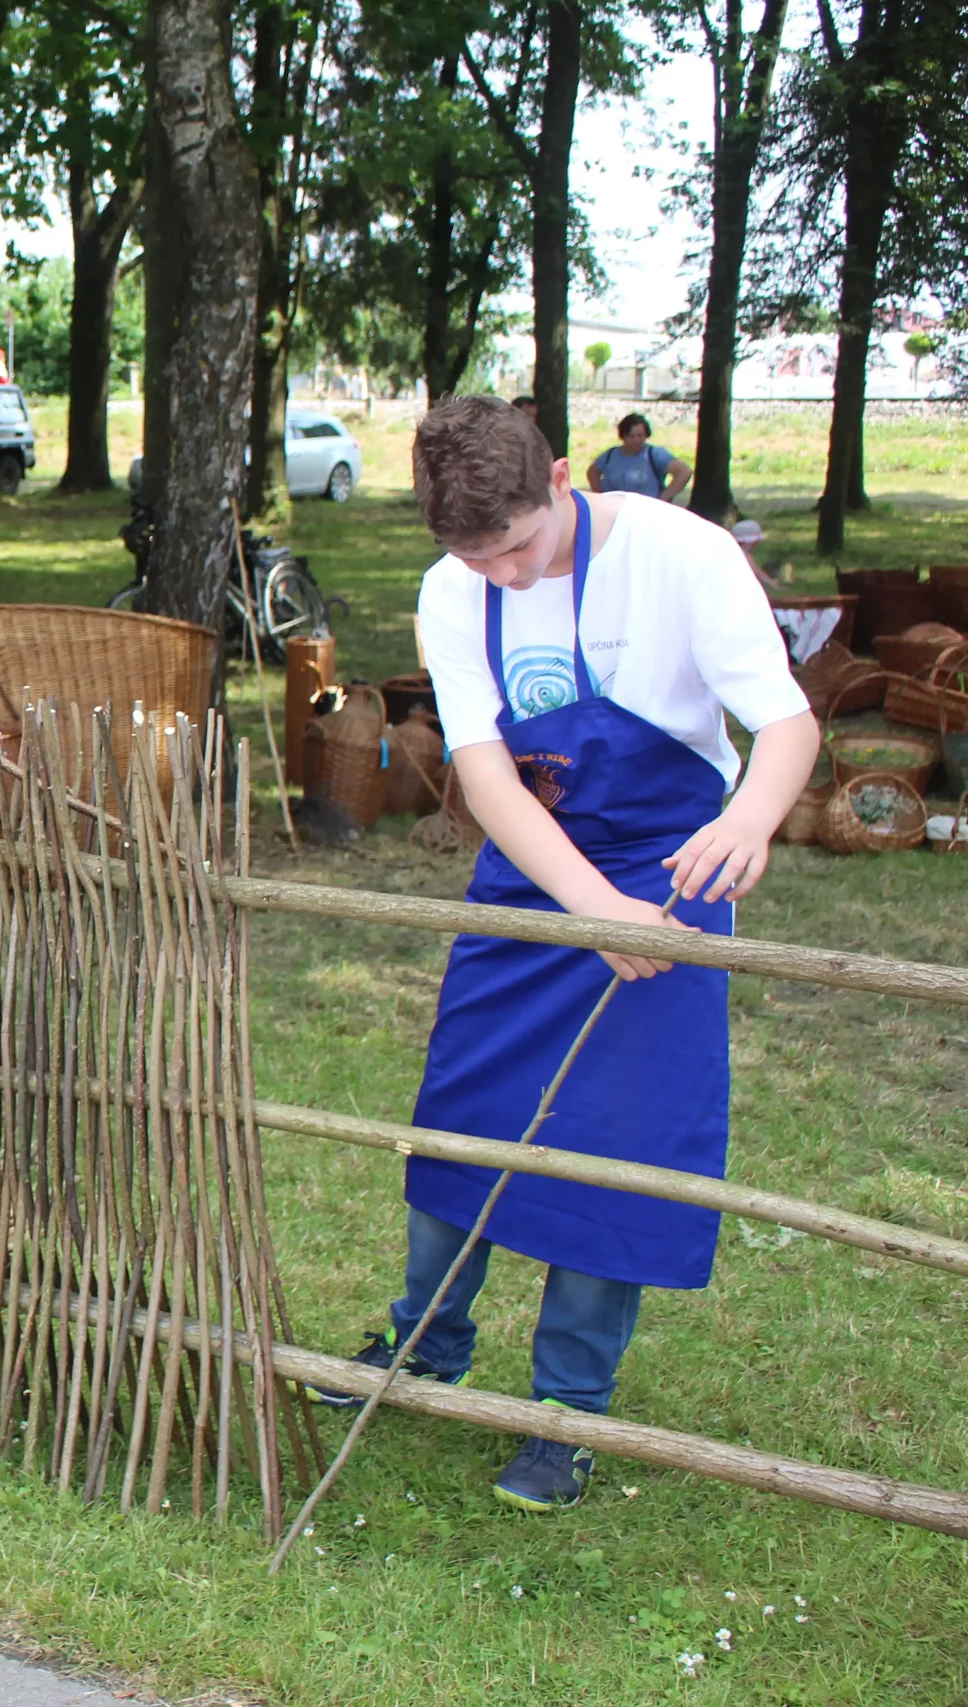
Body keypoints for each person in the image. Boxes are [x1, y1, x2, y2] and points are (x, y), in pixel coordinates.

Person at [309, 396, 817, 1512]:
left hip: (667, 872)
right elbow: (486, 775)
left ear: (559, 488)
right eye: (476, 561)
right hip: (538, 874)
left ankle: (562, 1411)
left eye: (520, 551)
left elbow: (784, 726)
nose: (504, 578)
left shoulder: (683, 556)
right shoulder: (455, 588)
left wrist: (746, 821)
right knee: (464, 1118)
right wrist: (589, 911)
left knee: (613, 1147)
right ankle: (420, 1345)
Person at [587, 412, 691, 503]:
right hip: (615, 511)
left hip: (646, 512)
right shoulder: (610, 455)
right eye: (631, 436)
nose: (636, 440)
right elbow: (592, 472)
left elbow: (684, 472)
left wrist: (663, 498)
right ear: (623, 436)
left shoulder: (655, 454)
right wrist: (600, 496)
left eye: (640, 436)